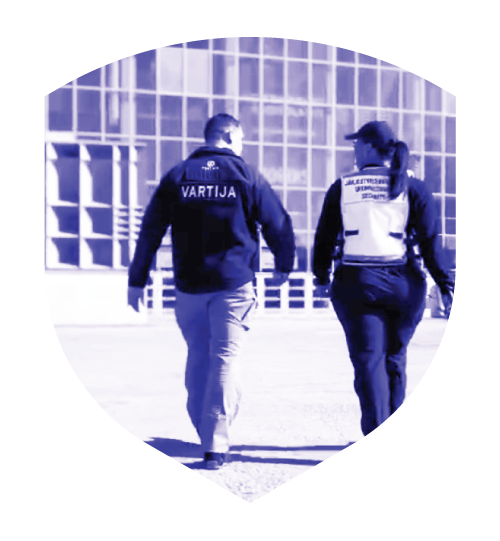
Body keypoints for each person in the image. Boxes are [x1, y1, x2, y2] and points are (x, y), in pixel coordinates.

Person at [127, 114, 295, 469]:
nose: (243, 147)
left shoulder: (178, 176)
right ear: (229, 135)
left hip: (189, 287)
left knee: (199, 356)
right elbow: (278, 223)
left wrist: (137, 280)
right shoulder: (247, 175)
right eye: (242, 139)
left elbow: (150, 230)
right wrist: (284, 264)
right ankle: (215, 443)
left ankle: (205, 430)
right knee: (225, 358)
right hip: (234, 284)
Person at [313, 121, 455, 438]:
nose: (353, 150)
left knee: (369, 362)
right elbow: (431, 242)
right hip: (405, 285)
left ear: (368, 147)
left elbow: (325, 237)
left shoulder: (343, 187)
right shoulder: (414, 187)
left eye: (356, 144)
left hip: (358, 282)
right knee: (394, 359)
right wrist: (445, 284)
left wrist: (321, 277)